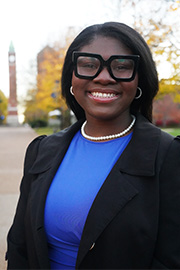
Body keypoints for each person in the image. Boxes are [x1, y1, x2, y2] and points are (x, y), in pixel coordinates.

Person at [6, 22, 180, 270]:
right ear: (72, 77)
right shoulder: (41, 150)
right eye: (89, 65)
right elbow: (20, 245)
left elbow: (171, 259)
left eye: (121, 66)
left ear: (140, 79)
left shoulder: (169, 156)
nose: (103, 77)